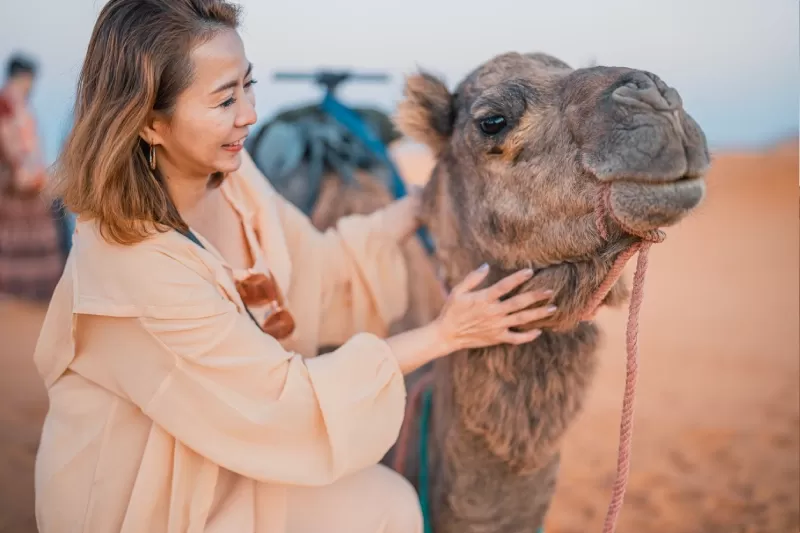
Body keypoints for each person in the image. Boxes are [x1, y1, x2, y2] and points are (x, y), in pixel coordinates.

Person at [33, 1, 557, 532]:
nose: (250, 114)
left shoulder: (234, 179)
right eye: (225, 99)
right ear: (150, 123)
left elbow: (315, 268)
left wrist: (419, 206)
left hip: (232, 450)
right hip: (154, 496)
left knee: (387, 504)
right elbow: (278, 401)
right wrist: (446, 333)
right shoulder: (133, 266)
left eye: (249, 85)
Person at [0, 53, 68, 301]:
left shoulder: (17, 105)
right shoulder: (7, 105)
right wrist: (27, 175)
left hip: (25, 182)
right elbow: (13, 148)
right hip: (15, 186)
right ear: (22, 77)